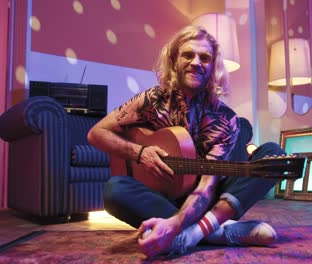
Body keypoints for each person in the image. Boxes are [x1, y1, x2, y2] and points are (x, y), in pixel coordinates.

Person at [87, 25, 286, 258]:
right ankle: (218, 232)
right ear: (174, 60)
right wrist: (140, 153)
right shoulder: (152, 100)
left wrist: (177, 223)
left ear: (213, 67)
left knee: (274, 155)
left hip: (208, 199)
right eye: (188, 55)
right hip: (162, 196)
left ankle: (189, 234)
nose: (196, 62)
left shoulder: (226, 119)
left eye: (205, 57)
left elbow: (206, 186)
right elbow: (96, 133)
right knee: (115, 190)